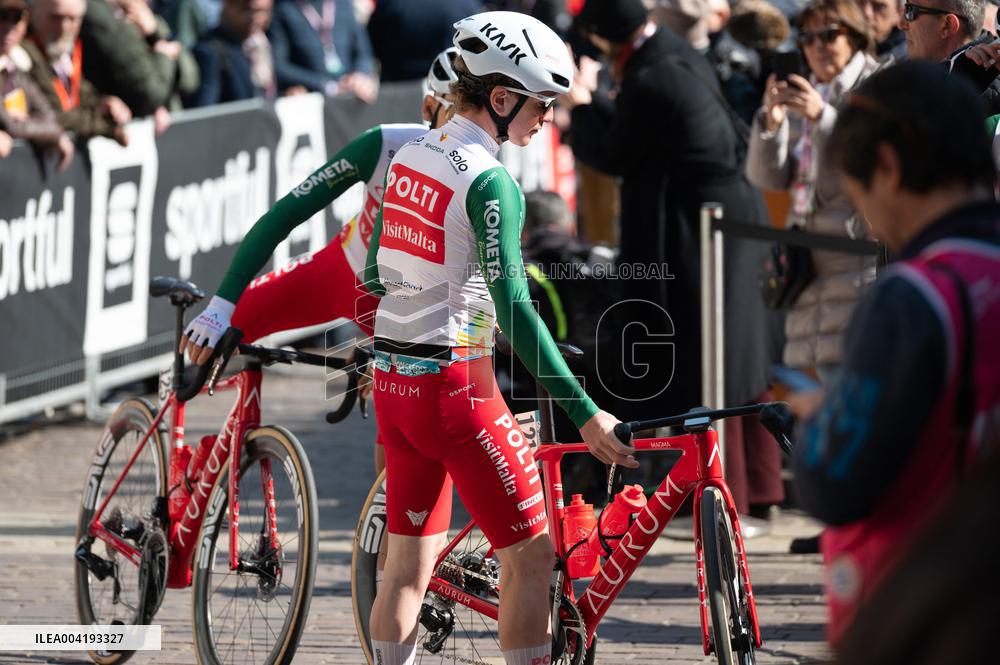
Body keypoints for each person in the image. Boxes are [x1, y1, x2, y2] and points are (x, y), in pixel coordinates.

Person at [363, 12, 637, 665]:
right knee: (533, 558)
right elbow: (514, 308)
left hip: (394, 382)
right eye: (541, 104)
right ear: (502, 98)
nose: (547, 118)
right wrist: (585, 412)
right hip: (457, 388)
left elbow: (375, 271)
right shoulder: (491, 182)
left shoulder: (411, 155)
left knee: (404, 570)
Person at [789, 60, 1000, 645]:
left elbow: (836, 482)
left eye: (858, 193)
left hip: (932, 614)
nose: (869, 223)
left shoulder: (914, 297)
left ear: (887, 166)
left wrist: (820, 419)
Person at [180, 46, 462, 481]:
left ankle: (387, 523)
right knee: (212, 337)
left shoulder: (485, 175)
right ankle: (172, 459)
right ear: (430, 108)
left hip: (396, 312)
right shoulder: (384, 144)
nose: (466, 131)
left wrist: (383, 342)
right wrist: (220, 305)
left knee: (404, 458)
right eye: (457, 115)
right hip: (337, 270)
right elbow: (284, 214)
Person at [566, 0, 783, 442]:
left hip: (705, 230)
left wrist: (581, 103)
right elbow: (635, 131)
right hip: (718, 217)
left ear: (603, 37)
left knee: (713, 364)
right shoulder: (669, 50)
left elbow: (615, 152)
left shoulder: (652, 76)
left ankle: (713, 469)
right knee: (734, 361)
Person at [747, 0, 879, 378]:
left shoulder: (876, 83)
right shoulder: (809, 89)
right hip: (810, 266)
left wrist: (822, 116)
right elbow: (768, 178)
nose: (817, 47)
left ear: (854, 36)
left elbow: (868, 165)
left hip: (857, 263)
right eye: (807, 38)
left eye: (829, 35)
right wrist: (771, 124)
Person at [24, 0, 131, 146]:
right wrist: (107, 126)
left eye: (73, 19)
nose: (64, 27)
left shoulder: (68, 51)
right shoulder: (23, 54)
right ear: (33, 14)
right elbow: (56, 115)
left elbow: (80, 95)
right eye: (55, 17)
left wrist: (104, 104)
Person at [80, 0, 199, 128]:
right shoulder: (107, 24)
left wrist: (154, 35)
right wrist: (163, 55)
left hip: (172, 124)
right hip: (134, 127)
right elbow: (149, 93)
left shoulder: (152, 21)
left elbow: (191, 80)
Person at [0, 0, 74, 169]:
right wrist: (51, 133)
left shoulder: (17, 64)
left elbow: (51, 117)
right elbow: (11, 126)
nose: (9, 27)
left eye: (16, 18)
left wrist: (49, 131)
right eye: (2, 16)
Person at [267, 0, 377, 101]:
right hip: (310, 98)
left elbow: (363, 52)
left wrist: (360, 75)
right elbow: (279, 65)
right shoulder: (283, 9)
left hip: (350, 94)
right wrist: (326, 85)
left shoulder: (344, 4)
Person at [185, 0, 276, 106]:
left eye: (264, 11)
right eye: (247, 10)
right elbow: (204, 110)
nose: (257, 18)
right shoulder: (210, 51)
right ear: (228, 5)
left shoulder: (261, 44)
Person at [366, 0, 482, 83]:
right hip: (451, 89)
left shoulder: (390, 3)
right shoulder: (466, 4)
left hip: (398, 88)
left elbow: (372, 46)